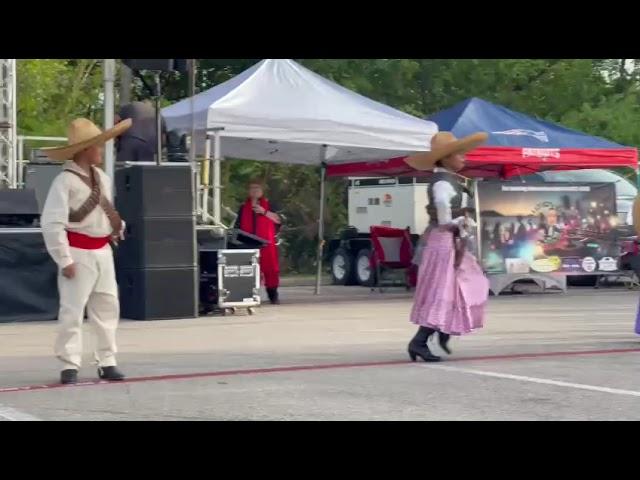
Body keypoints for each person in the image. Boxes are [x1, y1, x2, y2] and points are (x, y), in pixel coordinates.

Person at [40, 118, 132, 385]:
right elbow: (52, 222)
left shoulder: (101, 178)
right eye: (97, 147)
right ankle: (70, 364)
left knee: (107, 307)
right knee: (72, 311)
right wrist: (64, 258)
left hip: (102, 250)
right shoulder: (63, 182)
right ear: (84, 150)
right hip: (77, 252)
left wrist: (117, 226)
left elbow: (103, 214)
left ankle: (107, 361)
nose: (100, 151)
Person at [404, 131, 490, 362]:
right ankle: (421, 341)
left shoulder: (449, 181)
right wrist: (462, 221)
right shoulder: (442, 184)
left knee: (468, 284)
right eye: (460, 155)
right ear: (446, 158)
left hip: (449, 240)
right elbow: (443, 220)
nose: (464, 159)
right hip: (443, 242)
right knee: (442, 289)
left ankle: (441, 330)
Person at [234, 180, 283, 304]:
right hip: (248, 243)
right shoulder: (243, 207)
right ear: (248, 191)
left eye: (257, 188)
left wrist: (264, 212)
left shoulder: (269, 204)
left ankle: (273, 295)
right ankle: (248, 295)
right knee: (248, 269)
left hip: (267, 244)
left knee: (271, 270)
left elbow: (279, 220)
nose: (255, 190)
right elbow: (237, 226)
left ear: (262, 190)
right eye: (252, 188)